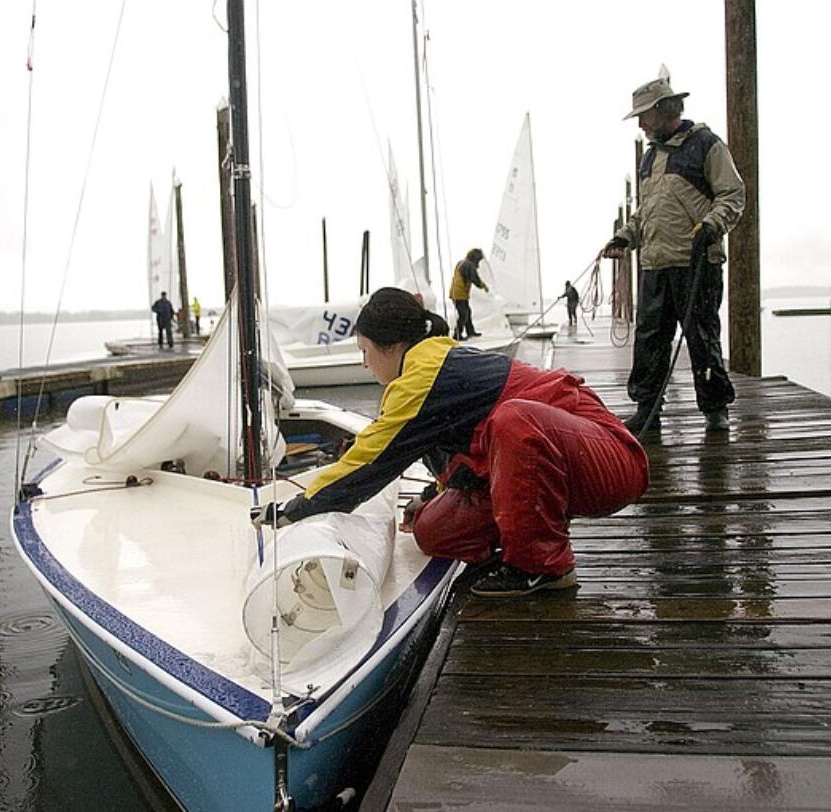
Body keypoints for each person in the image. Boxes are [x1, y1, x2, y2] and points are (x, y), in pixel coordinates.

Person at [253, 287, 650, 598]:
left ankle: (543, 567)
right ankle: (525, 534)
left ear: (390, 347)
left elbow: (368, 460)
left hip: (612, 462)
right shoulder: (430, 370)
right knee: (433, 530)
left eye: (365, 351)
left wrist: (298, 509)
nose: (363, 363)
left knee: (514, 420)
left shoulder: (423, 377)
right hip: (557, 464)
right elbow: (463, 445)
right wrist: (434, 493)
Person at [603, 73, 745, 434]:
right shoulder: (649, 159)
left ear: (665, 110)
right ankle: (648, 409)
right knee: (649, 341)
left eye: (644, 115)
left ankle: (715, 410)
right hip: (654, 263)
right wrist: (624, 237)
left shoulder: (706, 144)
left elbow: (733, 195)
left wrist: (713, 225)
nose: (640, 123)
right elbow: (646, 211)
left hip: (696, 262)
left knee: (701, 337)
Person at [449, 247, 489, 341]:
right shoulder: (469, 265)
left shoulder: (462, 262)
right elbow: (475, 279)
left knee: (467, 312)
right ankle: (457, 335)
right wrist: (484, 286)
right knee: (463, 314)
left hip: (457, 293)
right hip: (459, 294)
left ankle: (470, 331)